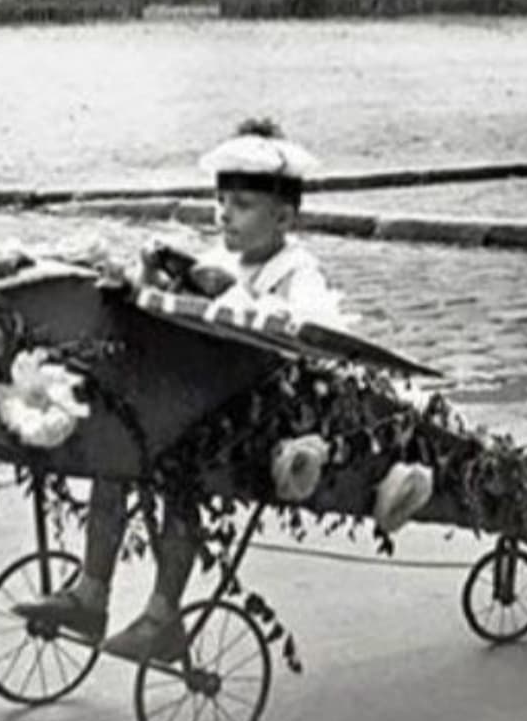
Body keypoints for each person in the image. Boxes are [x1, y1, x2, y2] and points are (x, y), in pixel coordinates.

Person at [17, 118, 333, 663]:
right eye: (221, 201)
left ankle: (164, 617)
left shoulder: (296, 270)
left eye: (241, 205)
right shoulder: (219, 258)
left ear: (283, 217)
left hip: (245, 412)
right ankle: (91, 593)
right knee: (114, 457)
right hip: (188, 398)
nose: (225, 215)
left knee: (187, 472)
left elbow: (307, 328)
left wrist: (234, 294)